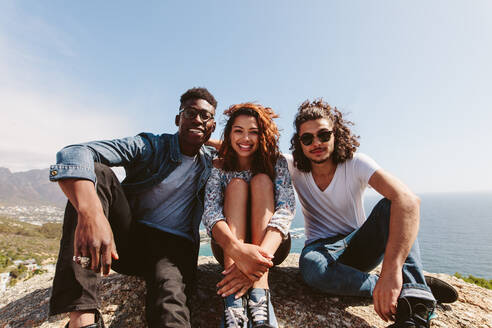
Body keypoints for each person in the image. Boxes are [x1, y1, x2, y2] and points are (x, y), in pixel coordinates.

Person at [48, 87, 217, 328]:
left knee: (171, 304)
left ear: (213, 126)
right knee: (97, 174)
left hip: (173, 250)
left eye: (206, 116)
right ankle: (82, 319)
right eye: (190, 113)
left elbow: (248, 147)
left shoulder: (212, 161)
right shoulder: (151, 145)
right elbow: (75, 152)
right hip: (126, 243)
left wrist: (201, 132)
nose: (198, 119)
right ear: (177, 119)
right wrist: (92, 214)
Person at [285, 99, 457, 328]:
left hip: (359, 246)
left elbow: (408, 201)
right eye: (307, 138)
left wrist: (392, 270)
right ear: (300, 143)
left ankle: (415, 309)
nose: (316, 142)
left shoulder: (355, 163)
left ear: (335, 134)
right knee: (313, 269)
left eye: (324, 135)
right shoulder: (293, 166)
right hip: (321, 250)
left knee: (391, 205)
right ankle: (413, 286)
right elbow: (246, 147)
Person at [202, 103, 296, 328]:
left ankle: (260, 294)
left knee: (262, 180)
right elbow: (211, 212)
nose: (246, 138)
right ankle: (233, 303)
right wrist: (238, 250)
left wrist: (256, 262)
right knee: (236, 185)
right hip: (229, 248)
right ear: (229, 134)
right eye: (238, 131)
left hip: (272, 247)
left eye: (253, 131)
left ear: (263, 134)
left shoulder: (276, 163)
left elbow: (286, 208)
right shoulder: (219, 165)